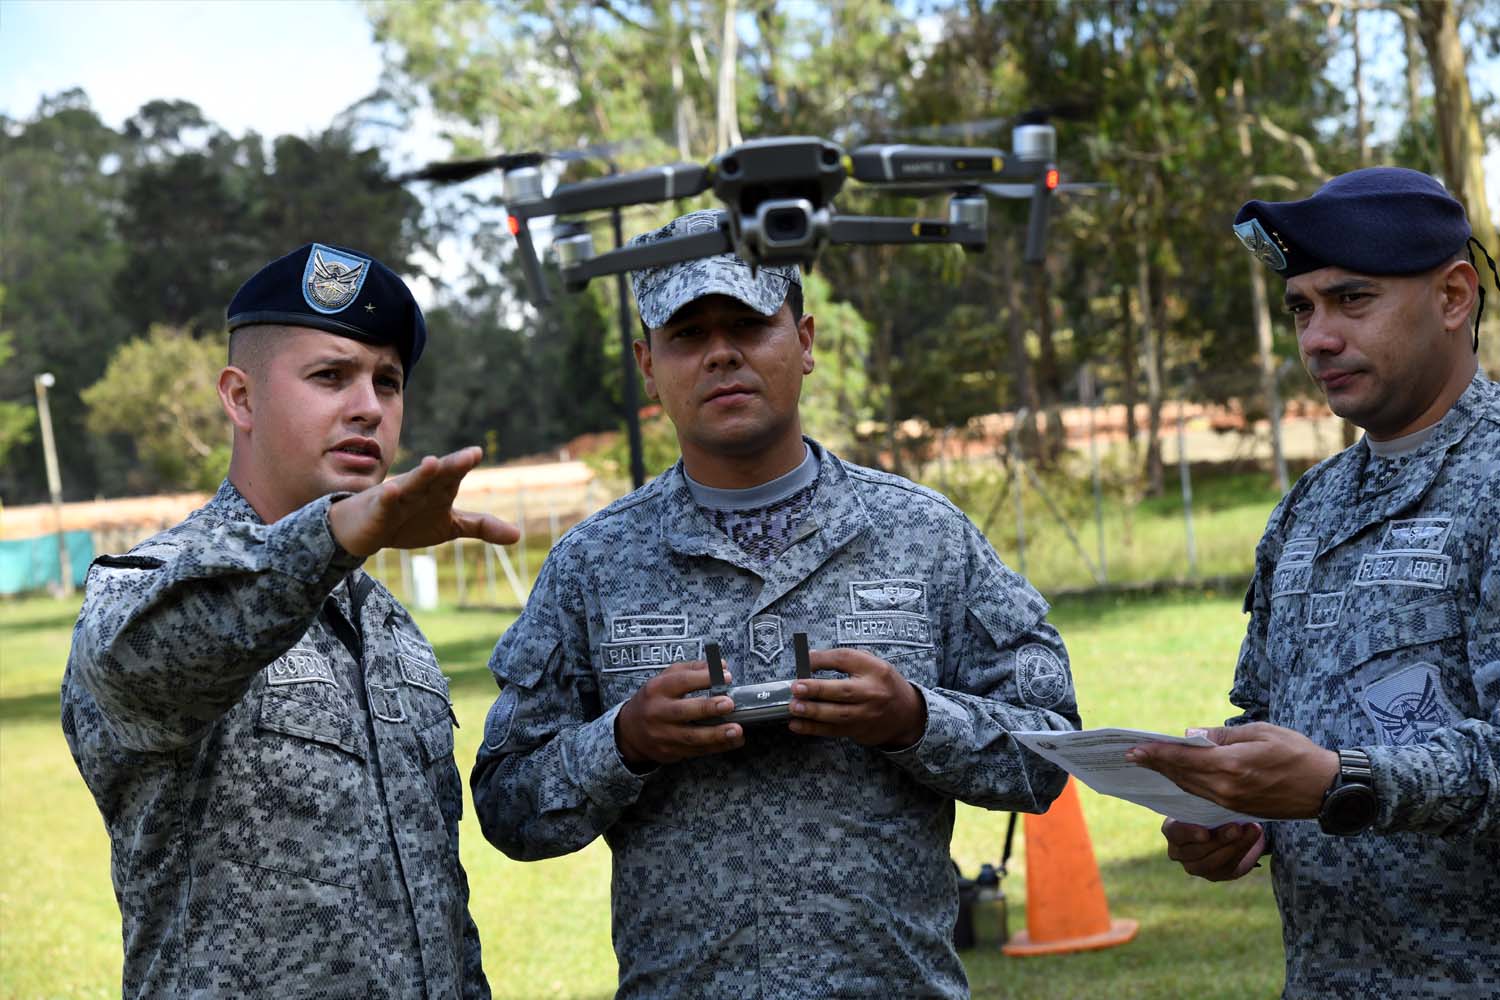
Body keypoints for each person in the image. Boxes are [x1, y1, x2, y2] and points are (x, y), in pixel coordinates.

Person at [471, 209, 1080, 998]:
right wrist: (625, 741)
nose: (722, 353)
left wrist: (915, 721)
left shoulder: (923, 536)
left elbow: (1052, 752)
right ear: (647, 366)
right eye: (688, 336)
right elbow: (508, 808)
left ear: (806, 340)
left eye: (750, 324)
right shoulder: (594, 564)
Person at [61, 242, 516, 999]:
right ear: (240, 398)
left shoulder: (390, 627)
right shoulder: (149, 589)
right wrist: (333, 537)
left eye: (388, 381)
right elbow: (157, 659)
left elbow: (436, 900)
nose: (369, 405)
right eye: (330, 376)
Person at [1128, 168, 1500, 997]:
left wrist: (1344, 783)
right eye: (1302, 308)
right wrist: (1238, 812)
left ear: (1453, 296)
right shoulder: (1310, 508)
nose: (1317, 338)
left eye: (1351, 300)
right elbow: (1265, 716)